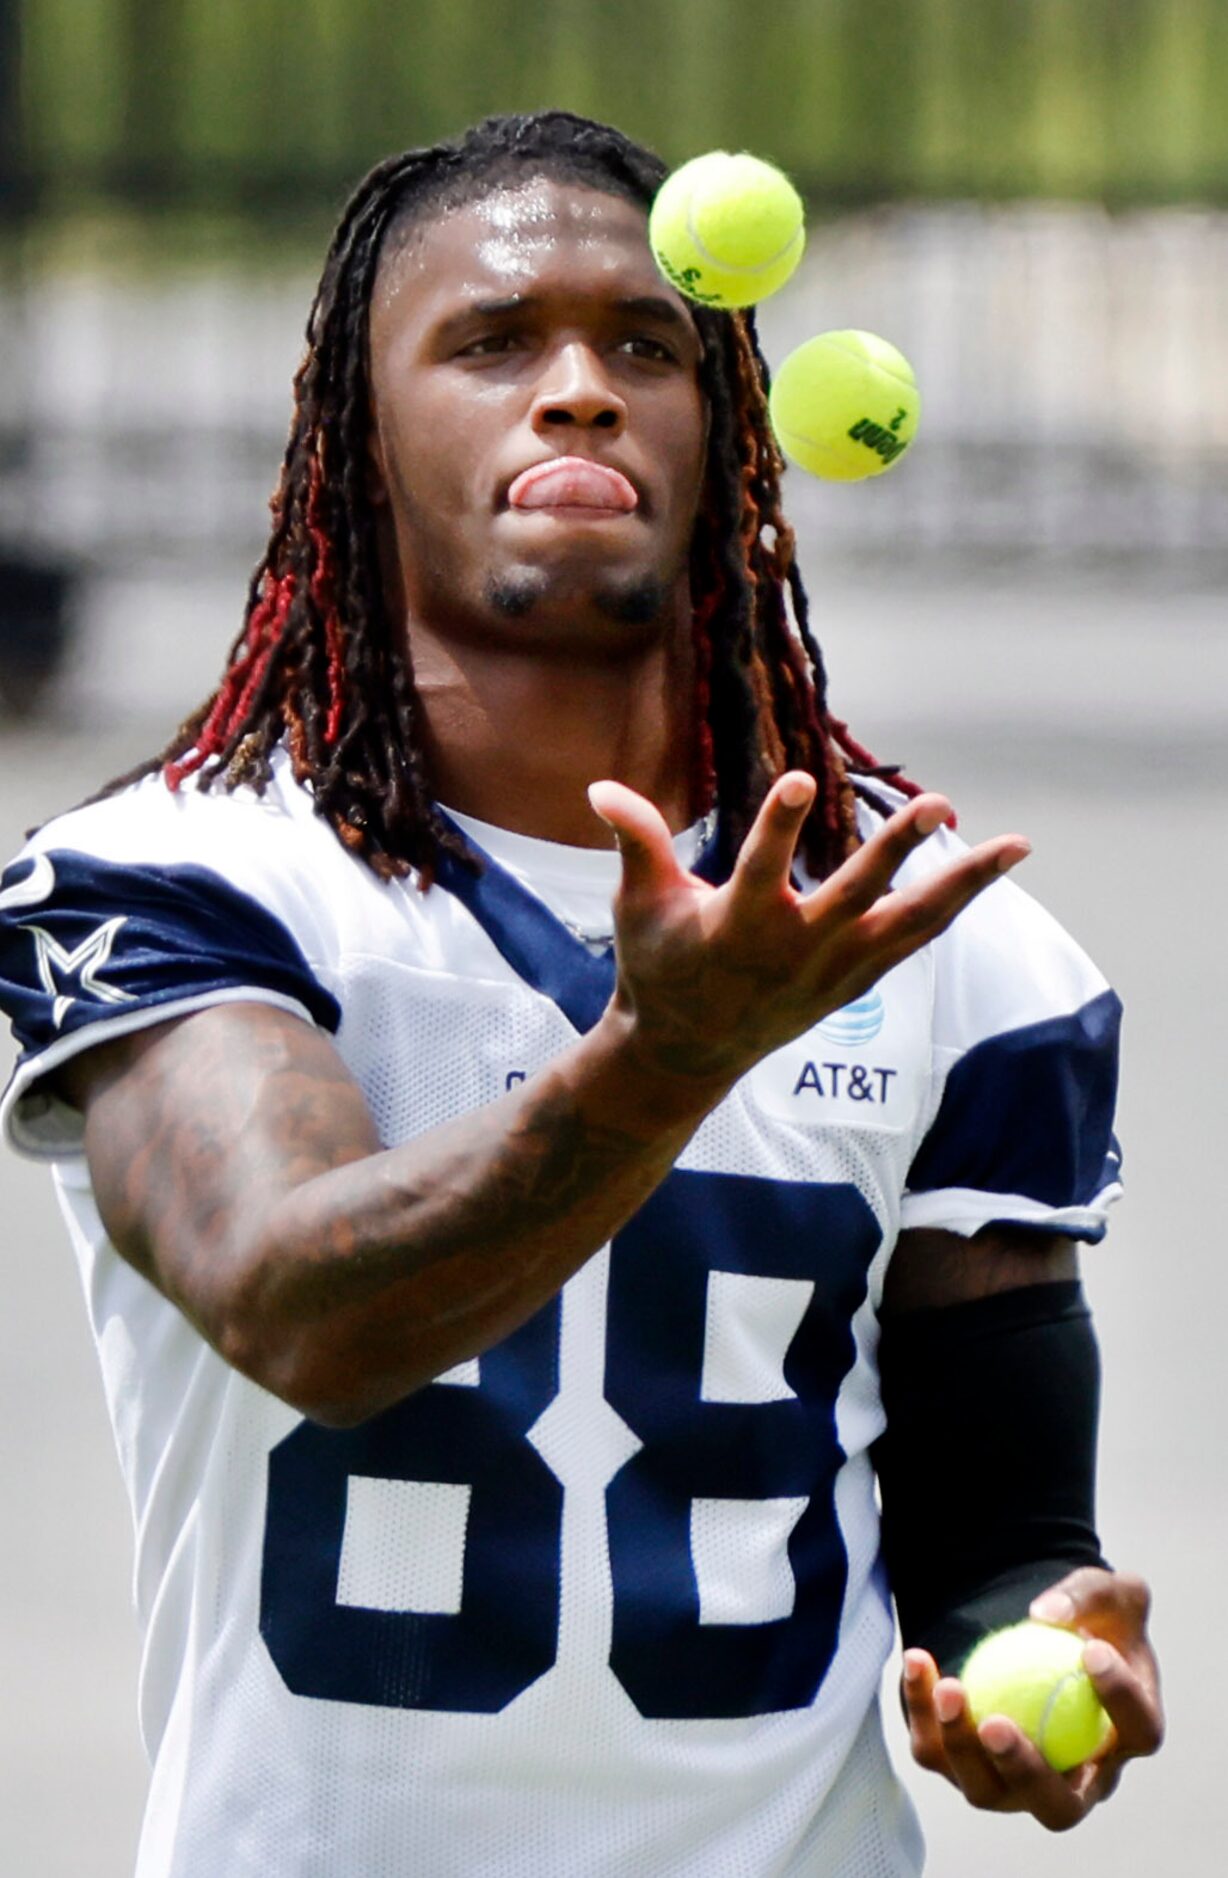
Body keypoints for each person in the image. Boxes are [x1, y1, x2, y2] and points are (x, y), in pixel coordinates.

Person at [0, 111, 1162, 1876]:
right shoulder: (178, 885)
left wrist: (1048, 1641)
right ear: (358, 438)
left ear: (732, 433)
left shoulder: (942, 942)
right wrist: (660, 1063)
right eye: (491, 342)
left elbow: (996, 1524)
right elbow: (303, 1306)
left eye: (648, 345)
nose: (581, 390)